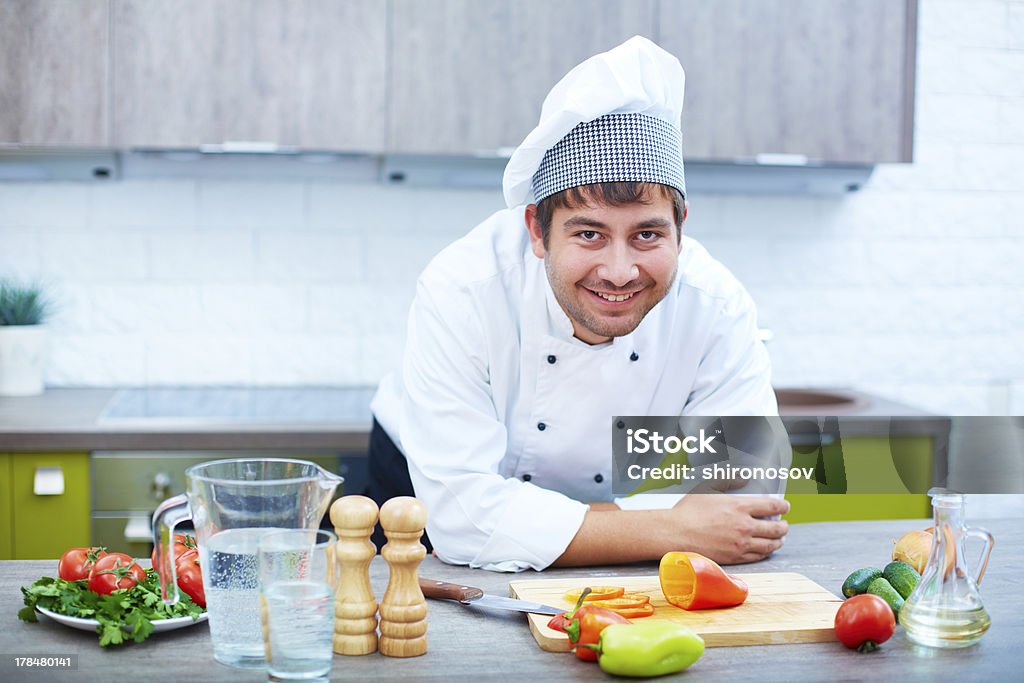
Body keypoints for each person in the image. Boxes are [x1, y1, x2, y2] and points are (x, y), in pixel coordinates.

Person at [367, 36, 789, 571]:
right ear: (537, 232)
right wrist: (671, 526)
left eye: (646, 235)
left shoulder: (716, 305)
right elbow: (460, 520)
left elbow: (746, 492)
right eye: (589, 234)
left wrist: (582, 527)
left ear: (680, 230)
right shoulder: (463, 288)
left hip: (633, 530)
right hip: (413, 492)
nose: (619, 271)